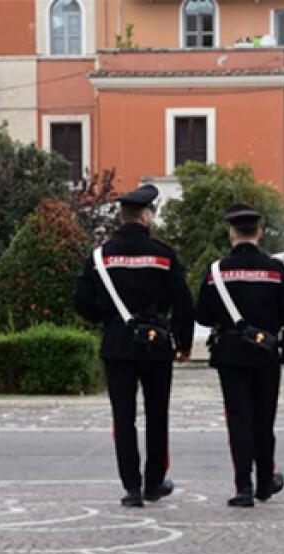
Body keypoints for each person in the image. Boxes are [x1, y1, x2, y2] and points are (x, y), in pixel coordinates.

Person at [73, 184, 194, 508]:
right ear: (144, 215)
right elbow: (183, 302)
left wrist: (109, 319)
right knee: (157, 415)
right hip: (156, 344)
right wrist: (183, 343)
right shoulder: (163, 255)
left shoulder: (99, 257)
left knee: (123, 418)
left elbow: (81, 302)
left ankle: (132, 487)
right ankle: (154, 481)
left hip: (117, 344)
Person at [196, 203, 284, 508]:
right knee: (264, 419)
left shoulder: (216, 271)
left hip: (230, 354)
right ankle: (265, 482)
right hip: (265, 352)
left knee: (238, 419)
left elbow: (202, 314)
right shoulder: (275, 269)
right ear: (258, 232)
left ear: (231, 234)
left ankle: (243, 485)